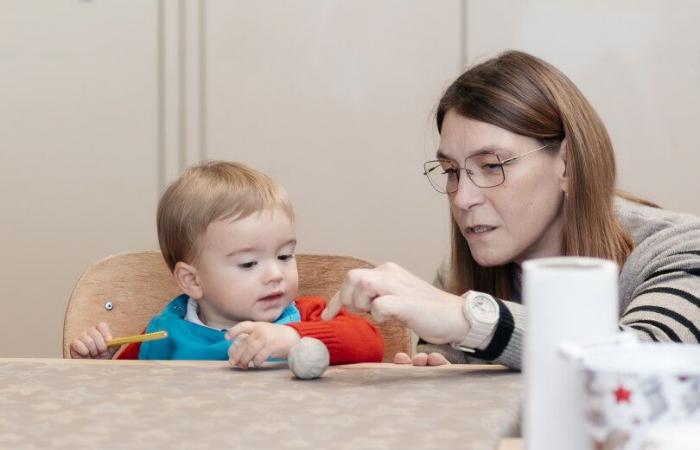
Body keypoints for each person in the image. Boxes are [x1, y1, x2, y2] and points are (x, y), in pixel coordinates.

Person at [322, 50, 700, 370]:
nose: (462, 197)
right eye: (452, 172)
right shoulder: (456, 274)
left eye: (492, 166)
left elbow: (649, 362)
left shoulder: (680, 248)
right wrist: (445, 392)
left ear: (567, 164)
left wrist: (469, 319)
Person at [70, 161, 384, 366]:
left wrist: (292, 338)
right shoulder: (164, 335)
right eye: (249, 264)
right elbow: (125, 399)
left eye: (285, 256)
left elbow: (370, 342)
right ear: (192, 281)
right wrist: (102, 364)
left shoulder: (304, 316)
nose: (275, 274)